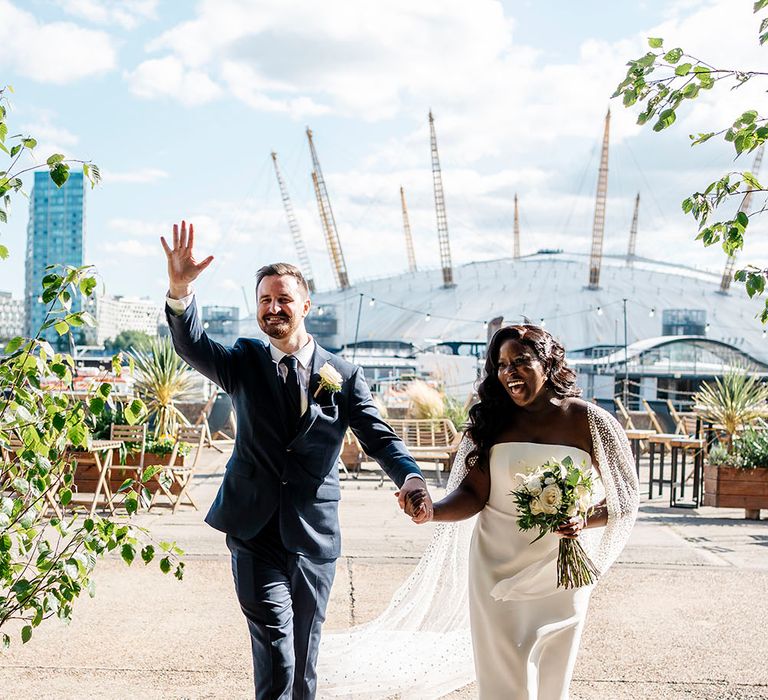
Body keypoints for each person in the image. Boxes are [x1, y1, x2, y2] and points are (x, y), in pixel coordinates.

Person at [160, 221, 433, 700]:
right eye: (264, 300)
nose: (273, 308)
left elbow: (379, 437)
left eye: (283, 299)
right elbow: (192, 345)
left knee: (304, 664)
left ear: (305, 306)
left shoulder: (343, 376)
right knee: (277, 650)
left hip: (313, 536)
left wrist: (411, 477)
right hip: (253, 531)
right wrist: (181, 290)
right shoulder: (243, 360)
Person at [317, 324, 638, 699]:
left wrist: (585, 518)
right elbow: (472, 493)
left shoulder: (592, 422)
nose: (509, 372)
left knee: (553, 680)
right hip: (496, 566)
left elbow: (626, 497)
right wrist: (432, 511)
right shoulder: (491, 422)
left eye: (521, 361)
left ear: (547, 363)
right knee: (507, 680)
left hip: (560, 571)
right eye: (501, 365)